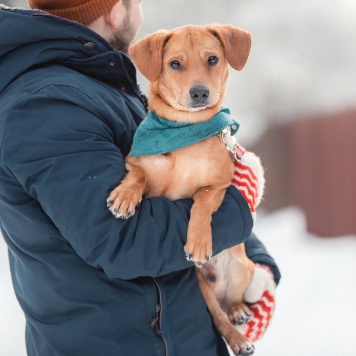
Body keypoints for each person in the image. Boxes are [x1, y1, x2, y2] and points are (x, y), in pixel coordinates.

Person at [0, 1, 281, 355]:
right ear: (115, 11)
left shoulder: (103, 83)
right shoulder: (48, 103)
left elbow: (182, 186)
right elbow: (121, 238)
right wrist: (238, 208)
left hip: (181, 337)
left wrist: (257, 267)